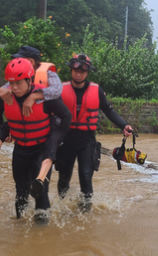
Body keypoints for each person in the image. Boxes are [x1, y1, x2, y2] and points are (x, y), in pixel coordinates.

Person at [0, 58, 71, 223]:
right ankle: (20, 223)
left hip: (42, 149)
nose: (13, 87)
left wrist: (57, 139)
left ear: (28, 80)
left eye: (18, 83)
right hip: (21, 150)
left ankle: (41, 233)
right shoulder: (5, 96)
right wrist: (6, 133)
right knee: (20, 191)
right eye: (11, 83)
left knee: (39, 192)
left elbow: (66, 116)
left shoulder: (44, 97)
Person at [56, 53, 133, 212]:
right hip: (65, 140)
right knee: (64, 177)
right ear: (71, 70)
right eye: (76, 70)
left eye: (83, 71)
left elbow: (109, 111)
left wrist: (124, 125)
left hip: (87, 141)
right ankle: (62, 207)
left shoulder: (96, 91)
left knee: (86, 176)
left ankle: (86, 212)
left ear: (87, 72)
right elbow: (47, 110)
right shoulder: (60, 89)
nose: (79, 73)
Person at [0, 45, 62, 183]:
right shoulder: (18, 77)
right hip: (24, 133)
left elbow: (57, 91)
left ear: (31, 61)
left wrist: (34, 96)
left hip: (47, 130)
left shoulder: (48, 75)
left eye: (20, 59)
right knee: (21, 188)